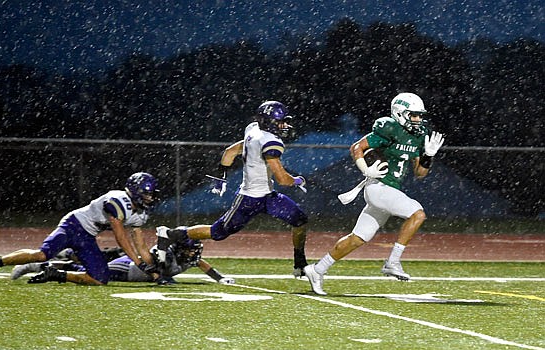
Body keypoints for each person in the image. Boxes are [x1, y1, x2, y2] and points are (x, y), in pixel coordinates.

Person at [302, 92, 445, 295]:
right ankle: (393, 261)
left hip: (390, 190)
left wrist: (428, 156)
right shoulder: (389, 128)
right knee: (417, 213)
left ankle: (317, 270)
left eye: (419, 115)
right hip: (378, 187)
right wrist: (365, 170)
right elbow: (357, 148)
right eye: (413, 115)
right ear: (400, 113)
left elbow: (420, 173)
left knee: (358, 238)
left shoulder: (418, 135)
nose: (418, 119)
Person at [155, 101, 309, 274]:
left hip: (268, 196)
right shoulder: (271, 142)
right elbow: (282, 179)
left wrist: (221, 177)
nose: (285, 125)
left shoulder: (253, 129)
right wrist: (298, 180)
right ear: (269, 122)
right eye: (281, 121)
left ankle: (299, 263)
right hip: (249, 199)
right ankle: (170, 234)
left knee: (300, 219)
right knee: (217, 232)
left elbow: (230, 151)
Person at [0, 172, 159, 285]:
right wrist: (137, 262)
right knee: (42, 254)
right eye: (147, 194)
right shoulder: (117, 200)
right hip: (73, 225)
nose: (150, 198)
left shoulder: (140, 213)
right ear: (136, 191)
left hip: (87, 236)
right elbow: (121, 237)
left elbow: (140, 243)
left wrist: (151, 268)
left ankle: (56, 274)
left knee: (100, 278)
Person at [16, 239, 235, 285]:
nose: (193, 255)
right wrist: (160, 278)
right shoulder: (165, 254)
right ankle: (39, 266)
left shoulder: (190, 258)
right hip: (129, 269)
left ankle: (51, 266)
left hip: (135, 275)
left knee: (87, 270)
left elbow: (204, 265)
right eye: (190, 250)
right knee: (88, 271)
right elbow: (151, 266)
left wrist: (220, 278)